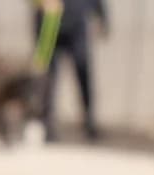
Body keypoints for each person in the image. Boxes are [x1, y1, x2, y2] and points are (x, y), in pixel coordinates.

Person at [35, 0, 107, 142]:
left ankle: (89, 122)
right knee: (48, 78)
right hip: (50, 23)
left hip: (77, 24)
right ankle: (46, 126)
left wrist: (102, 17)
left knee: (83, 71)